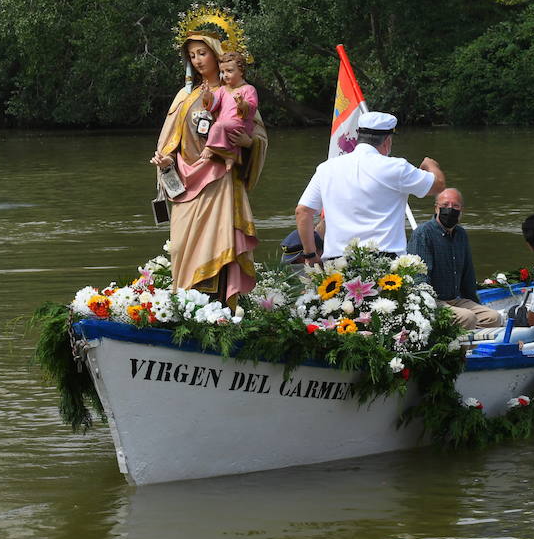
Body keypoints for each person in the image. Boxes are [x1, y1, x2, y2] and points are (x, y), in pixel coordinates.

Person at [151, 29, 268, 304]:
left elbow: (258, 135)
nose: (198, 60)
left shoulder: (237, 92)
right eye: (192, 55)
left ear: (217, 55)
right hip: (186, 177)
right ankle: (184, 305)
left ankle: (215, 309)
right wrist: (166, 161)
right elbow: (170, 142)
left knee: (218, 243)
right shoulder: (185, 96)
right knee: (181, 246)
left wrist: (248, 142)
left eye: (202, 53)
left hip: (220, 178)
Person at [295, 111, 445, 262]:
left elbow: (302, 212)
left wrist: (310, 255)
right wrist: (430, 165)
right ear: (387, 141)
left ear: (359, 137)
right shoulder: (396, 167)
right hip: (385, 266)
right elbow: (438, 185)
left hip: (337, 267)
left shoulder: (326, 168)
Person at [407, 188, 500, 330]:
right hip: (434, 301)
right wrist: (426, 306)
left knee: (494, 318)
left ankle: (462, 334)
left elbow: (467, 274)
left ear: (462, 211)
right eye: (445, 206)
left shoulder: (461, 234)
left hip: (455, 300)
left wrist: (474, 302)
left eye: (455, 206)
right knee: (467, 317)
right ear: (436, 208)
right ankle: (458, 347)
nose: (450, 209)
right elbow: (419, 278)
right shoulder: (423, 234)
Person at [203, 51, 259, 172]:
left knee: (218, 126)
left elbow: (252, 107)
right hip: (225, 125)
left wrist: (242, 104)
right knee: (219, 126)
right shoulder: (223, 89)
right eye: (222, 72)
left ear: (241, 71)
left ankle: (209, 148)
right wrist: (207, 96)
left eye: (229, 71)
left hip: (240, 124)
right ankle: (229, 156)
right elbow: (213, 105)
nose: (225, 75)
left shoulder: (248, 89)